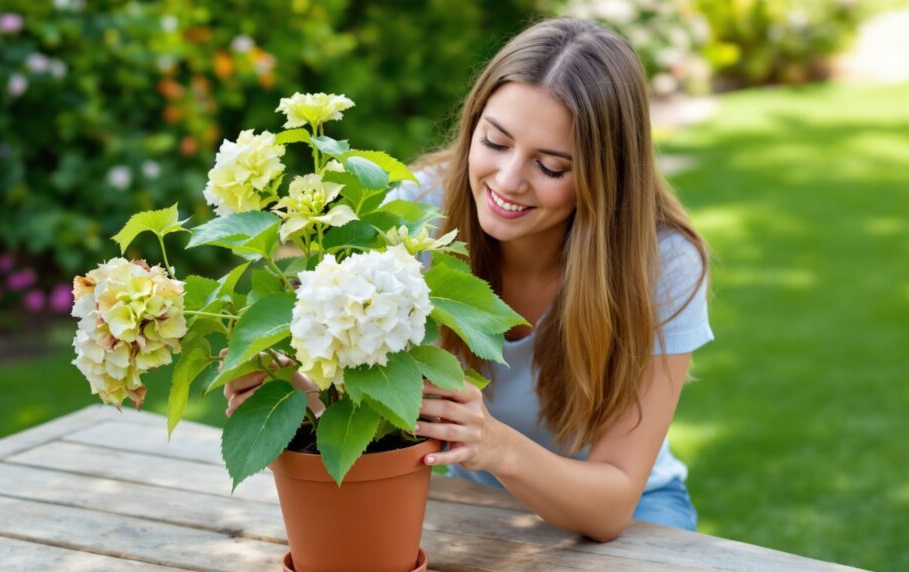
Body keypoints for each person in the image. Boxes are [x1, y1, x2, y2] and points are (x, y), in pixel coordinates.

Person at [225, 17, 712, 542]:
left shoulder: (663, 263)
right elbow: (369, 406)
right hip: (466, 500)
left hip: (630, 515)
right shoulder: (417, 214)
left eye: (550, 167)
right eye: (495, 142)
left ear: (606, 174)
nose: (508, 181)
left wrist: (498, 447)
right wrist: (290, 388)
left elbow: (612, 505)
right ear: (473, 123)